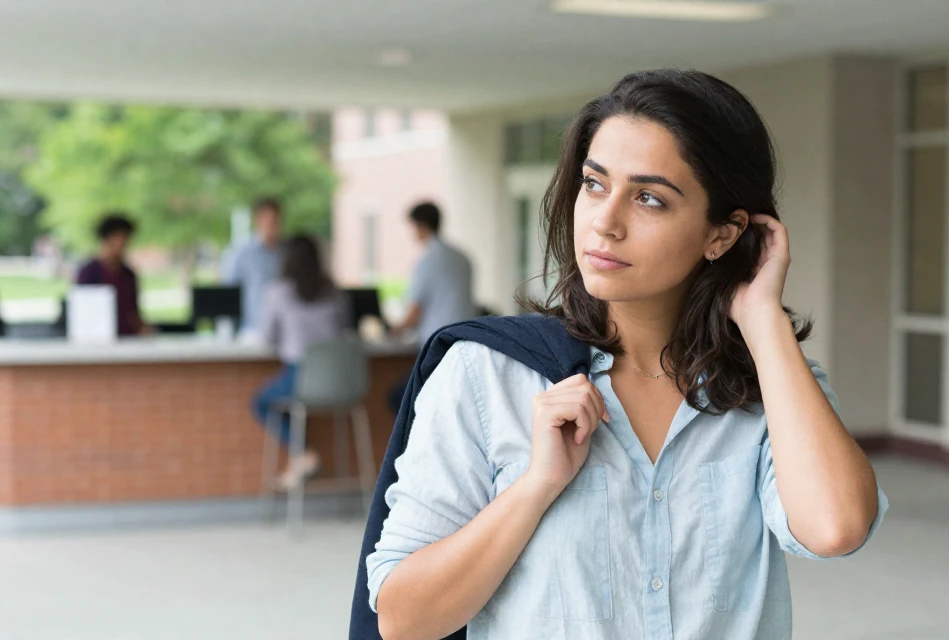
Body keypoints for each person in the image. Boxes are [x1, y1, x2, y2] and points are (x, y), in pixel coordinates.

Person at [365, 70, 887, 639]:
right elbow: (402, 619)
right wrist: (536, 485)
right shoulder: (487, 373)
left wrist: (762, 318)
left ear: (723, 233)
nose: (605, 223)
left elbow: (835, 528)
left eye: (648, 198)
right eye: (594, 184)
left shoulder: (773, 389)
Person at [251, 234, 350, 490]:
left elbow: (267, 338)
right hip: (342, 382)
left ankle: (304, 453)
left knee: (261, 402)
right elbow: (344, 330)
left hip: (301, 377)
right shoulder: (334, 291)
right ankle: (300, 459)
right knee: (290, 404)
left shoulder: (278, 291)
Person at [390, 202, 475, 344]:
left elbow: (415, 310)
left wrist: (395, 330)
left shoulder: (428, 261)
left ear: (421, 226)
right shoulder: (462, 258)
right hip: (465, 338)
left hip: (437, 341)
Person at [76, 213, 149, 336]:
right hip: (99, 341)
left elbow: (133, 312)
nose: (126, 243)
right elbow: (84, 314)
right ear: (108, 238)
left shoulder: (128, 274)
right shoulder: (88, 272)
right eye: (122, 238)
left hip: (127, 340)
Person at [222, 197, 285, 334]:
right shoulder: (241, 253)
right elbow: (228, 291)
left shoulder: (288, 253)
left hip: (284, 330)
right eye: (268, 221)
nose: (272, 226)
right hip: (253, 329)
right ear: (257, 220)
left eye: (275, 221)